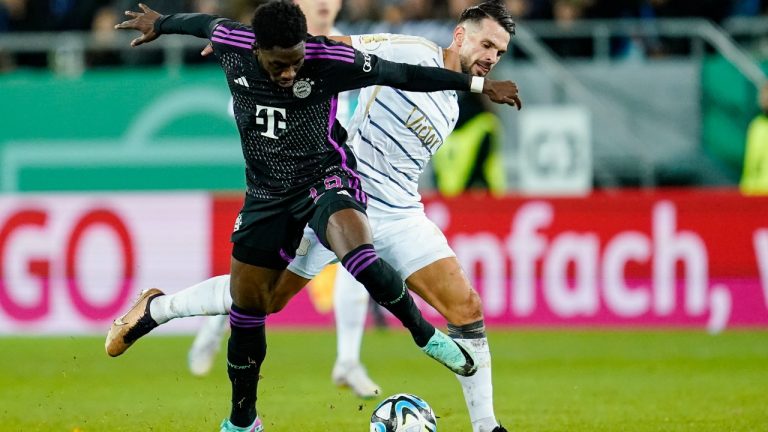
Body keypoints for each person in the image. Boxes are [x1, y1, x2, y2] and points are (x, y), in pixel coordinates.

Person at [109, 2, 521, 431]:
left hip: (400, 212)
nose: (493, 56)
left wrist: (473, 86)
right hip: (335, 191)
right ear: (460, 36)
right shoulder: (411, 50)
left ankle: (487, 426)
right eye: (487, 43)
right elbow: (344, 47)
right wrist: (247, 43)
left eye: (501, 51)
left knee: (466, 305)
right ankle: (160, 309)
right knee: (263, 300)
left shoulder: (453, 105)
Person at [186, 0, 384, 400]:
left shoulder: (351, 49)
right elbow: (247, 101)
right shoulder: (272, 49)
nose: (326, 4)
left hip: (334, 173)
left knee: (355, 254)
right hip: (283, 183)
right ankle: (214, 325)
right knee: (263, 284)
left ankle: (348, 359)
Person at [740, 81, 768, 195]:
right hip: (755, 194)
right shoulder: (756, 125)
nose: (764, 99)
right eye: (763, 95)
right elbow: (750, 165)